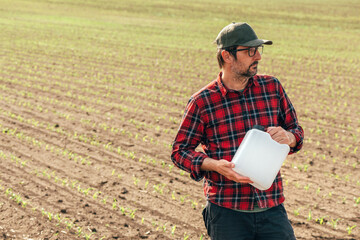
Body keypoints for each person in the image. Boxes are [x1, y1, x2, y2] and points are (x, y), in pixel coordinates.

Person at [171, 22, 304, 240]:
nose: (258, 57)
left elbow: (296, 132)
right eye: (250, 51)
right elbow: (179, 152)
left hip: (272, 209)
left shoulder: (272, 88)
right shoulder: (203, 102)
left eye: (258, 50)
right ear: (227, 55)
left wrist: (289, 137)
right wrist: (214, 166)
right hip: (227, 214)